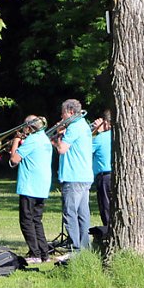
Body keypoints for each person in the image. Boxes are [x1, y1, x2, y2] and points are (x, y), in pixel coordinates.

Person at [9, 115, 53, 264]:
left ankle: (35, 253)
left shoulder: (32, 140)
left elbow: (14, 159)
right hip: (41, 186)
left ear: (29, 127)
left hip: (30, 186)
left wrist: (15, 141)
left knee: (26, 221)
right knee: (36, 220)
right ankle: (44, 254)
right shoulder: (44, 139)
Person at [52, 99, 93, 255]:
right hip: (84, 175)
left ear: (69, 112)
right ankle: (84, 247)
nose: (61, 117)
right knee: (83, 214)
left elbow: (62, 149)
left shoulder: (74, 127)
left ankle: (75, 248)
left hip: (73, 176)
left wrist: (56, 138)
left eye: (63, 114)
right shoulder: (83, 125)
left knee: (70, 213)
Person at [91, 109, 112, 227]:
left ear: (106, 123)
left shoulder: (100, 138)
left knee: (105, 206)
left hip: (104, 176)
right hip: (116, 174)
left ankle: (108, 231)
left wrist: (95, 132)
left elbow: (86, 150)